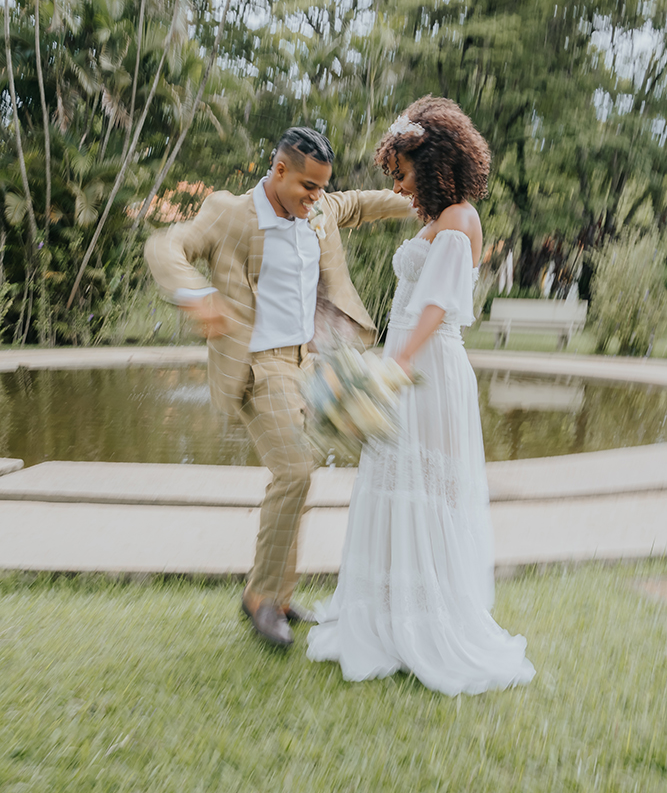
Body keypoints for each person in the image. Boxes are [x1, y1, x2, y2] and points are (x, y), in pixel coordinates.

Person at [145, 128, 412, 649]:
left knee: (298, 478)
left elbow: (358, 204)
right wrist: (197, 296)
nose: (317, 198)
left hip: (306, 363)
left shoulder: (318, 211)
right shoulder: (231, 212)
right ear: (280, 171)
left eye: (322, 188)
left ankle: (280, 596)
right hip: (258, 365)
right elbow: (168, 245)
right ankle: (260, 599)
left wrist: (418, 198)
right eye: (308, 186)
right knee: (295, 470)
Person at [307, 97, 536, 694]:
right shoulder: (437, 218)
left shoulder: (459, 221)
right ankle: (385, 615)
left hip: (428, 367)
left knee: (423, 489)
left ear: (432, 164)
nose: (400, 185)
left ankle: (426, 621)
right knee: (394, 483)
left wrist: (392, 370)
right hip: (407, 361)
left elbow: (435, 305)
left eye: (403, 173)